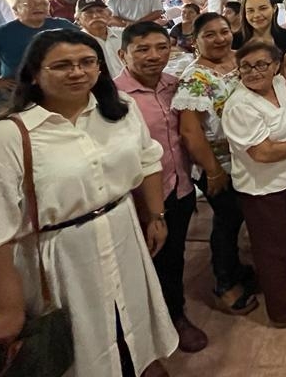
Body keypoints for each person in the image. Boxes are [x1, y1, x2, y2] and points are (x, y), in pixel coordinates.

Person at [0, 29, 176, 376]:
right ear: (33, 74)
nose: (77, 72)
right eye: (62, 65)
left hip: (122, 229)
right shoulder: (6, 139)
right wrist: (8, 309)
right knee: (80, 339)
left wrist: (156, 214)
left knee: (132, 313)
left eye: (87, 62)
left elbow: (149, 159)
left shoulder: (118, 109)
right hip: (59, 252)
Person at [115, 22, 208, 354]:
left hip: (179, 187)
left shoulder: (175, 85)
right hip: (139, 197)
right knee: (140, 263)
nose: (154, 56)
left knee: (173, 256)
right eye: (142, 49)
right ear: (122, 54)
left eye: (161, 47)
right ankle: (141, 331)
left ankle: (174, 315)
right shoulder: (113, 100)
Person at [221, 43, 286, 329]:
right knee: (271, 248)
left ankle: (282, 286)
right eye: (246, 66)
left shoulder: (278, 83)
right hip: (260, 187)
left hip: (284, 179)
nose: (254, 72)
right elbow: (262, 153)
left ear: (275, 65)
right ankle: (283, 310)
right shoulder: (240, 106)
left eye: (261, 64)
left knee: (279, 241)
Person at [171, 13, 257, 316]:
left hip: (249, 158)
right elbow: (190, 132)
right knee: (227, 220)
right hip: (218, 163)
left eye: (224, 31)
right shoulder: (196, 78)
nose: (220, 38)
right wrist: (213, 170)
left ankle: (237, 268)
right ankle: (224, 283)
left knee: (244, 215)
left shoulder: (240, 60)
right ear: (195, 41)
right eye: (210, 34)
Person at [76, 0, 125, 73]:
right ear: (78, 20)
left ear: (109, 15)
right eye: (89, 13)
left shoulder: (123, 35)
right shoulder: (77, 43)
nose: (96, 16)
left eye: (100, 11)